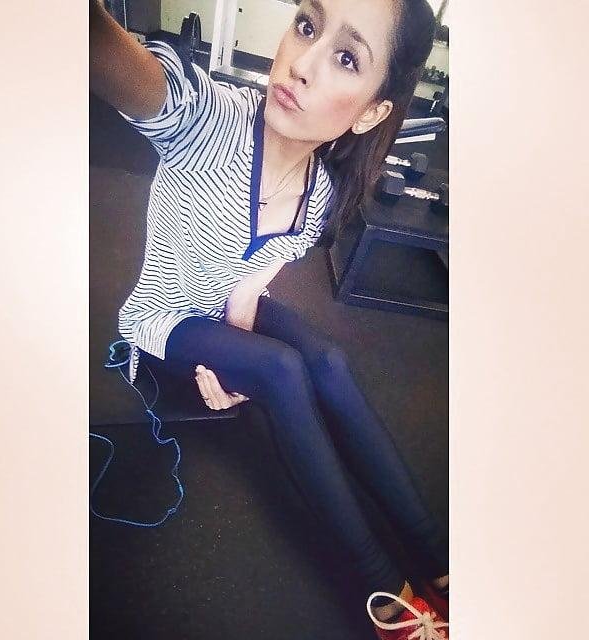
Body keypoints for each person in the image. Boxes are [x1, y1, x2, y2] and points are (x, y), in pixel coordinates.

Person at [91, 1, 448, 637]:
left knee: (328, 361)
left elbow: (249, 288)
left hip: (221, 307)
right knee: (281, 370)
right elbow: (123, 67)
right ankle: (385, 594)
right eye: (307, 26)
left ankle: (438, 561)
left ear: (370, 112)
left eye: (346, 58)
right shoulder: (205, 122)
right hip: (163, 319)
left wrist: (235, 358)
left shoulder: (320, 196)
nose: (302, 63)